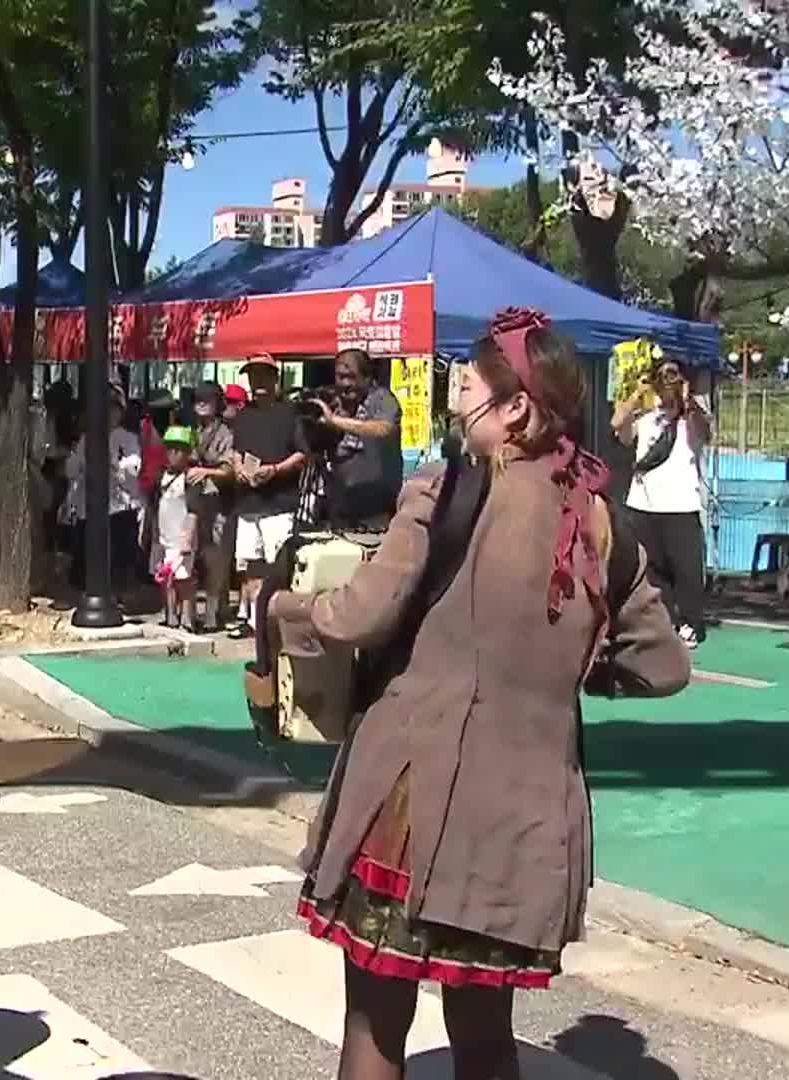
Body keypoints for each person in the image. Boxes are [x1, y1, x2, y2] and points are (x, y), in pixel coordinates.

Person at [267, 308, 690, 1080]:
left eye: (466, 387)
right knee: (486, 1033)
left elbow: (360, 616)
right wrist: (569, 664)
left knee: (376, 1024)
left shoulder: (445, 488)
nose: (456, 402)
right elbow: (663, 668)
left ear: (517, 407)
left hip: (411, 797)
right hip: (525, 823)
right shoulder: (600, 520)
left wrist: (287, 609)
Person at [614, 354, 711, 647]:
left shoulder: (690, 418)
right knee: (652, 570)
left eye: (673, 375)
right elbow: (618, 425)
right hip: (643, 505)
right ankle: (666, 622)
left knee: (687, 571)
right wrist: (638, 392)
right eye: (663, 376)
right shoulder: (646, 417)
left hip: (681, 505)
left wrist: (686, 398)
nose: (667, 381)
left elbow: (706, 431)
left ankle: (691, 624)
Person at [228, 358, 309, 639]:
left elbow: (302, 455)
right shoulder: (243, 415)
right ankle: (253, 621)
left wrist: (275, 470)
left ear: (275, 379)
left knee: (279, 565)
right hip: (249, 504)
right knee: (250, 565)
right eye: (253, 376)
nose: (257, 383)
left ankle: (276, 622)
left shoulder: (290, 413)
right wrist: (239, 469)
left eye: (263, 376)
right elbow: (237, 452)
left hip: (279, 504)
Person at [62, 384, 144, 591]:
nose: (108, 413)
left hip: (119, 509)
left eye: (113, 408)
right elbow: (72, 470)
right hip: (88, 507)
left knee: (119, 558)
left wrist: (114, 463)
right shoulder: (85, 438)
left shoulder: (129, 439)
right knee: (86, 557)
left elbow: (133, 471)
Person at [317, 349, 403, 528]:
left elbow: (383, 429)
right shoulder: (333, 402)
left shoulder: (382, 399)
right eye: (340, 377)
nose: (345, 383)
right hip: (341, 507)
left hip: (377, 511)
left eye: (351, 377)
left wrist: (335, 421)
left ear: (367, 377)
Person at [186, 381, 238, 632]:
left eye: (207, 398)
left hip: (219, 502)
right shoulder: (191, 430)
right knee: (198, 558)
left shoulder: (226, 432)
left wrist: (205, 470)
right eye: (198, 398)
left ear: (218, 403)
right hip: (196, 503)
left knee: (217, 560)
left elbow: (230, 470)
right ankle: (202, 611)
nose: (202, 402)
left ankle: (212, 614)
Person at [150, 425, 200, 630]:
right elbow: (154, 506)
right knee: (166, 578)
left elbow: (194, 510)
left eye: (179, 450)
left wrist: (188, 537)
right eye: (170, 449)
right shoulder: (160, 476)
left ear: (188, 453)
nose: (174, 454)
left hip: (183, 537)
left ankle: (187, 616)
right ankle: (170, 613)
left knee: (184, 579)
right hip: (164, 535)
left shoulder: (191, 478)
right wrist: (151, 533)